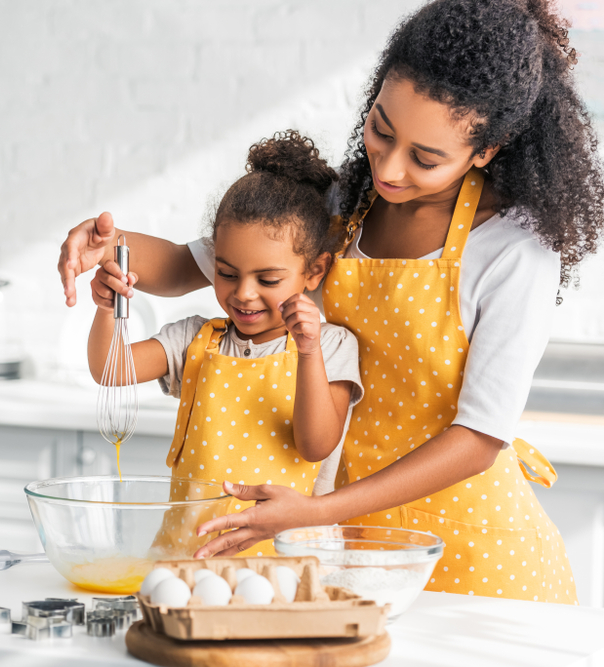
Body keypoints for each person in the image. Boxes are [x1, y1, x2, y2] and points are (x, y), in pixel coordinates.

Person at [61, 0, 604, 604]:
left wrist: (314, 510)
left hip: (471, 556)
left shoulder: (512, 248)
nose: (390, 169)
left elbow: (478, 438)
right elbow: (197, 265)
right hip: (340, 544)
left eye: (425, 158)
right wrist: (110, 244)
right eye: (381, 129)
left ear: (486, 149)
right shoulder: (343, 204)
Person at [88, 132, 363, 556]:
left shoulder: (331, 347)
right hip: (186, 560)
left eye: (267, 280)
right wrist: (108, 308)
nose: (243, 294)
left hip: (291, 566)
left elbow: (316, 445)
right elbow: (111, 367)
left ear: (314, 272)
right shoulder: (195, 340)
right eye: (227, 273)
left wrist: (307, 352)